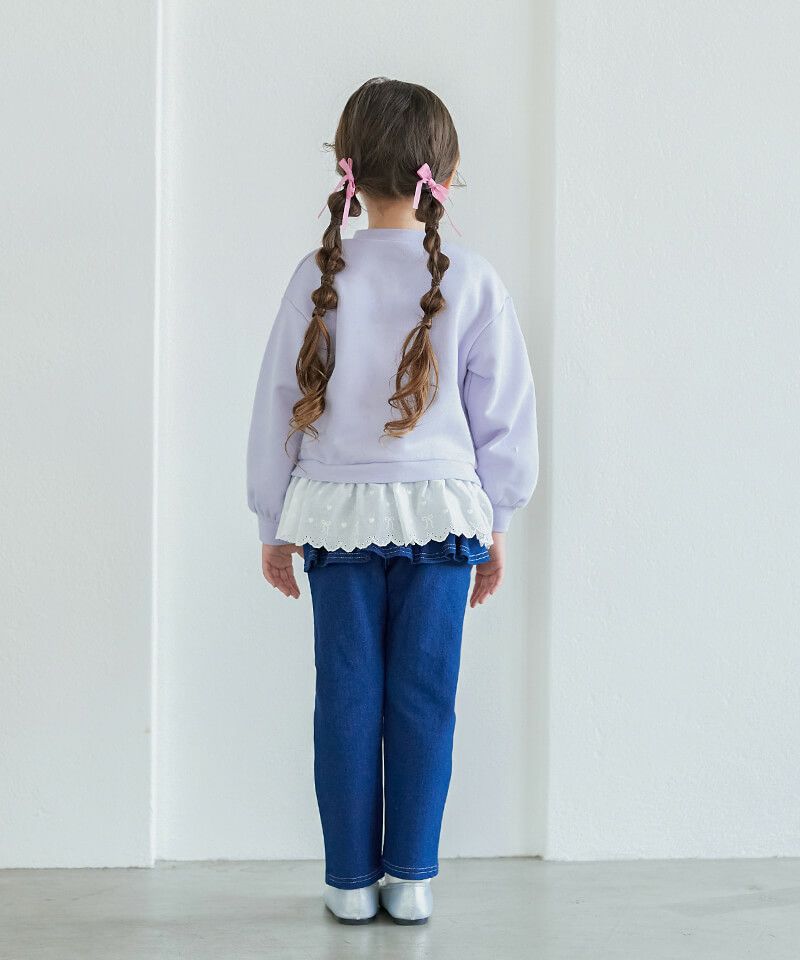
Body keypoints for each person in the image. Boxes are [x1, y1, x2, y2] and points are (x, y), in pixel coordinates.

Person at [247, 77, 538, 925]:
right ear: (440, 171)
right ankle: (410, 877)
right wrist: (498, 520)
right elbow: (504, 415)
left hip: (334, 517)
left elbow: (278, 404)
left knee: (345, 697)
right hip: (443, 518)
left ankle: (348, 881)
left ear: (348, 167)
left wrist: (272, 519)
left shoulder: (317, 276)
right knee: (425, 696)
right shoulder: (473, 279)